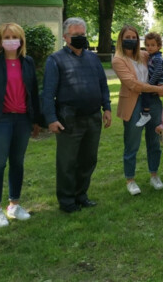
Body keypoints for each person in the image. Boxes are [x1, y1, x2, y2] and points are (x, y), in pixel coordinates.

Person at [0, 23, 41, 227]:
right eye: (7, 36)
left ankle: (14, 205)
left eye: (15, 36)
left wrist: (36, 120)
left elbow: (34, 93)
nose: (11, 40)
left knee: (17, 163)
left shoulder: (27, 62)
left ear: (21, 40)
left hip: (22, 120)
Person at [42, 18, 112, 213]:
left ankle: (81, 195)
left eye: (82, 34)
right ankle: (67, 201)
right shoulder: (55, 60)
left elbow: (103, 85)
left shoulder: (93, 58)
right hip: (68, 119)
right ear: (65, 37)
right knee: (67, 162)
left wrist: (107, 108)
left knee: (88, 160)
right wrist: (51, 119)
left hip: (93, 118)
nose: (80, 38)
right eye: (76, 35)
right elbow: (48, 92)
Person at [112, 25, 163, 196]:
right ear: (121, 39)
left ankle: (154, 175)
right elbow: (132, 84)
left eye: (134, 37)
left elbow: (159, 66)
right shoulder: (118, 60)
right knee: (132, 144)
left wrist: (161, 87)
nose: (131, 40)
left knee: (154, 141)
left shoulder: (144, 55)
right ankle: (130, 180)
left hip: (153, 101)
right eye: (128, 37)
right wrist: (155, 88)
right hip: (133, 104)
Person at [136, 32, 163, 127]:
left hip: (158, 82)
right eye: (147, 45)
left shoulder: (157, 58)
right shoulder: (152, 56)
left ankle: (146, 114)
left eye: (153, 45)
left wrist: (149, 84)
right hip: (155, 81)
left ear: (159, 46)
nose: (149, 47)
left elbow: (157, 72)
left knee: (146, 93)